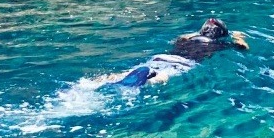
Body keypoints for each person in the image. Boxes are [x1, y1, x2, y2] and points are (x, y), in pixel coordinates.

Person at [104, 19, 248, 90]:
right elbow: (244, 48)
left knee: (133, 72)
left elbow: (183, 36)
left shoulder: (185, 39)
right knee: (163, 77)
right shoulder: (218, 45)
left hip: (160, 58)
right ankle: (148, 81)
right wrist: (237, 37)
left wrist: (198, 33)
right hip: (181, 64)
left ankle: (106, 79)